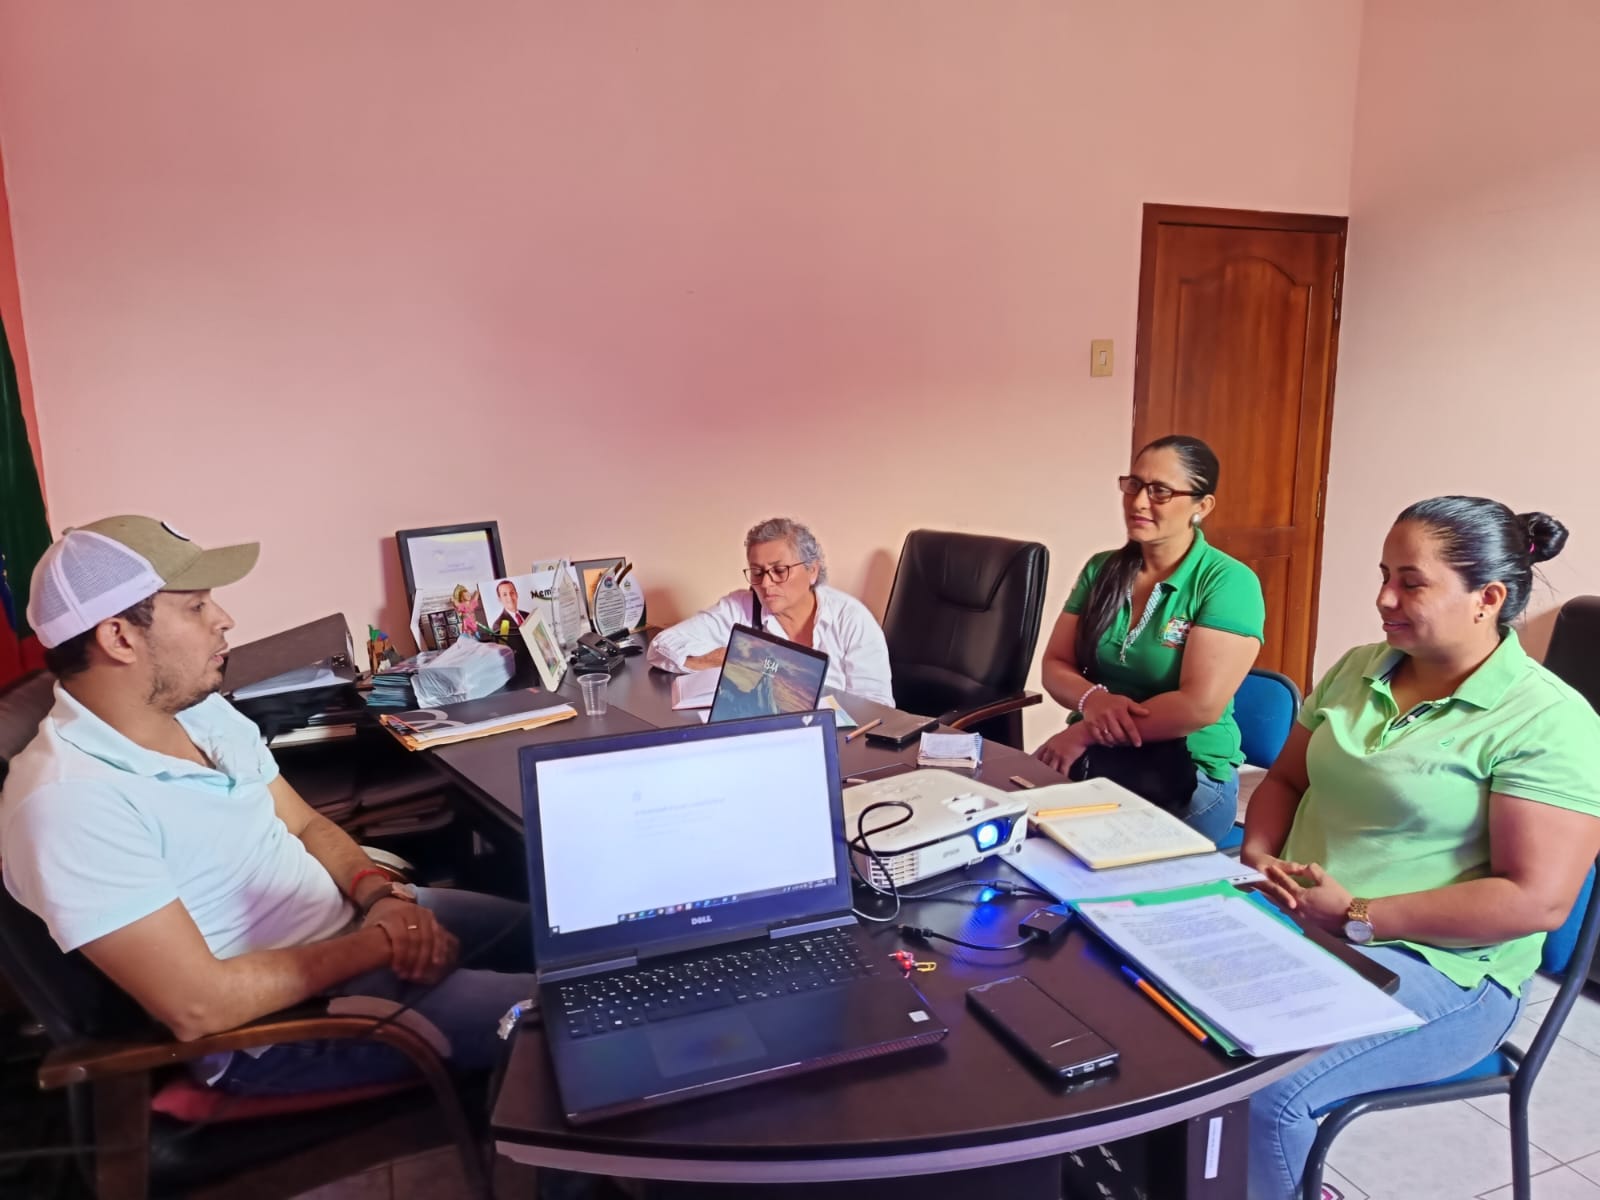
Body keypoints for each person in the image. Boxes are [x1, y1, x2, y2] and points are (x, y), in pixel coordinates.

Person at [0, 516, 536, 1096]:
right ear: (119, 638)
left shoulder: (196, 710)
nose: (224, 619)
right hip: (290, 1023)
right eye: (196, 606)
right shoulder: (67, 801)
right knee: (577, 1012)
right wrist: (381, 943)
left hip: (357, 927)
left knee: (566, 937)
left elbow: (302, 822)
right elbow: (199, 1006)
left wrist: (378, 897)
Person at [1242, 497, 1600, 1199]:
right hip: (1303, 923)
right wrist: (1258, 853)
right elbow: (1284, 780)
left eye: (1411, 583)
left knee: (1263, 1096)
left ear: (1487, 599)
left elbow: (1537, 901)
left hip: (1444, 969)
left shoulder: (1549, 721)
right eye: (1384, 576)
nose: (1384, 598)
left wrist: (1358, 914)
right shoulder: (1360, 667)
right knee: (1157, 1024)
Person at [1033, 435, 1264, 842]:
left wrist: (1086, 730)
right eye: (1134, 485)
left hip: (1186, 769)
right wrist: (1093, 701)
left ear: (1202, 505)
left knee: (1091, 855)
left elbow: (1198, 705)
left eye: (1160, 491)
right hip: (1096, 759)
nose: (1139, 502)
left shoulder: (1228, 582)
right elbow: (1056, 664)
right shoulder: (1102, 569)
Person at [648, 517, 894, 706]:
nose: (765, 584)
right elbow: (661, 646)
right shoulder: (739, 608)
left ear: (812, 571)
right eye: (757, 572)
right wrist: (732, 659)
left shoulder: (852, 619)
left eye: (779, 571)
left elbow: (878, 708)